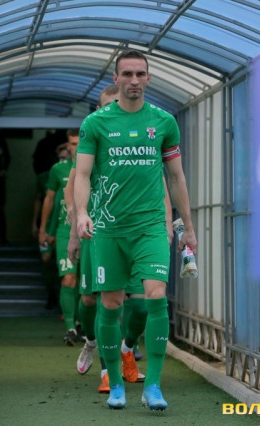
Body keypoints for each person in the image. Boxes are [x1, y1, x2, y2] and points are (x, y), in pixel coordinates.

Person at [74, 50, 197, 411]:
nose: (133, 80)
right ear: (116, 78)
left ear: (148, 78)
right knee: (110, 304)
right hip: (108, 229)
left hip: (150, 227)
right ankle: (114, 383)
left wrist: (187, 228)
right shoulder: (96, 123)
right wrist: (81, 214)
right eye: (127, 74)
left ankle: (153, 386)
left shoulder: (164, 122)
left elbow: (176, 177)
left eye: (140, 74)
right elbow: (82, 175)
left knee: (155, 296)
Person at [67, 85, 173, 394]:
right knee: (95, 301)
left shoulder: (145, 138)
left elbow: (161, 186)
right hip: (99, 232)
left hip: (141, 232)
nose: (116, 107)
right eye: (109, 104)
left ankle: (127, 348)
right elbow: (74, 192)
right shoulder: (94, 134)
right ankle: (99, 356)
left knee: (141, 305)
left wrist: (167, 225)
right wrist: (75, 233)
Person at [39, 129, 82, 345]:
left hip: (89, 231)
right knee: (68, 278)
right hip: (65, 230)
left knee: (85, 284)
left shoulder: (98, 165)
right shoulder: (58, 170)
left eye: (79, 143)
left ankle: (83, 324)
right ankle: (70, 328)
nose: (76, 148)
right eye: (73, 144)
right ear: (67, 146)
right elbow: (49, 199)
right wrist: (43, 229)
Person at [31, 129, 67, 309]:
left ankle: (63, 299)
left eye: (65, 157)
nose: (63, 160)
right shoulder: (45, 177)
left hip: (63, 225)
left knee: (65, 265)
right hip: (46, 224)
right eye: (60, 157)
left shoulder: (73, 174)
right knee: (46, 258)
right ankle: (51, 295)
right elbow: (39, 199)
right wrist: (36, 224)